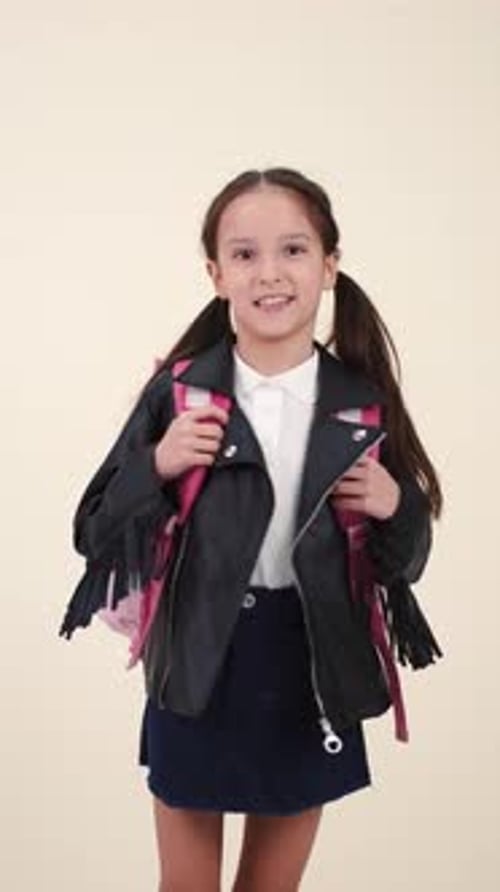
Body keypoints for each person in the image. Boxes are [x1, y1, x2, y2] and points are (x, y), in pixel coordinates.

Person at [60, 167, 442, 892]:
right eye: (244, 254)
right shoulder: (179, 392)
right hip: (198, 657)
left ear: (329, 265)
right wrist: (157, 463)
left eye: (294, 250)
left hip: (312, 665)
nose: (270, 273)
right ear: (215, 274)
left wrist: (399, 505)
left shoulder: (362, 405)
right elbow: (93, 529)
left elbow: (406, 562)